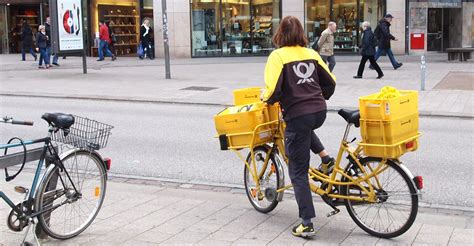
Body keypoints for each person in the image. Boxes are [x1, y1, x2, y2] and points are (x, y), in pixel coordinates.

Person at [263, 16, 336, 238]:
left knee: (297, 171)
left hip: (298, 114)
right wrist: (317, 97)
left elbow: (273, 89)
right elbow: (330, 82)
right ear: (301, 33)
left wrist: (266, 98)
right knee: (303, 128)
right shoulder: (312, 54)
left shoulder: (278, 56)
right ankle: (325, 158)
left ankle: (307, 222)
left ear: (280, 34)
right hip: (319, 111)